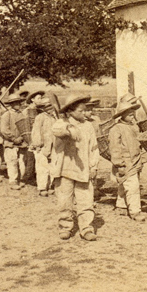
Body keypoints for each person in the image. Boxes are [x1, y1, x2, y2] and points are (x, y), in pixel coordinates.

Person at [50, 95, 99, 241]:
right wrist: (70, 129)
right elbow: (57, 129)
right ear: (70, 111)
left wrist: (93, 166)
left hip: (83, 170)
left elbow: (94, 148)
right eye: (81, 111)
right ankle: (65, 226)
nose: (85, 113)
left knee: (85, 200)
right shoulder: (61, 123)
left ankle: (86, 228)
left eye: (86, 110)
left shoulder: (88, 126)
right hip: (65, 170)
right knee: (65, 200)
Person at [109, 98, 147, 221]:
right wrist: (119, 163)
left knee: (125, 183)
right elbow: (114, 148)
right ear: (122, 115)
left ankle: (121, 205)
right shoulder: (116, 129)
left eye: (133, 115)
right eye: (130, 115)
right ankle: (135, 211)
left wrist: (143, 156)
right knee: (133, 186)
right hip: (125, 161)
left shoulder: (134, 127)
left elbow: (140, 143)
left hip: (136, 159)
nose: (132, 117)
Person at [0, 93, 28, 189]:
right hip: (11, 143)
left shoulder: (21, 114)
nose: (18, 104)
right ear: (11, 104)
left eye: (19, 102)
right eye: (15, 103)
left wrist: (23, 137)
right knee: (12, 162)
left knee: (22, 162)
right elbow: (4, 130)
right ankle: (13, 181)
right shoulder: (6, 115)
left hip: (21, 142)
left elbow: (25, 127)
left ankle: (20, 179)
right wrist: (13, 138)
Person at [30, 96, 57, 197]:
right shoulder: (40, 117)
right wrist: (37, 144)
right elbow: (36, 131)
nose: (50, 109)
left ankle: (51, 186)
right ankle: (42, 187)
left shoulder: (54, 117)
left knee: (53, 167)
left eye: (51, 106)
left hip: (53, 145)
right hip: (42, 146)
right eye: (47, 107)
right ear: (42, 108)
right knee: (42, 167)